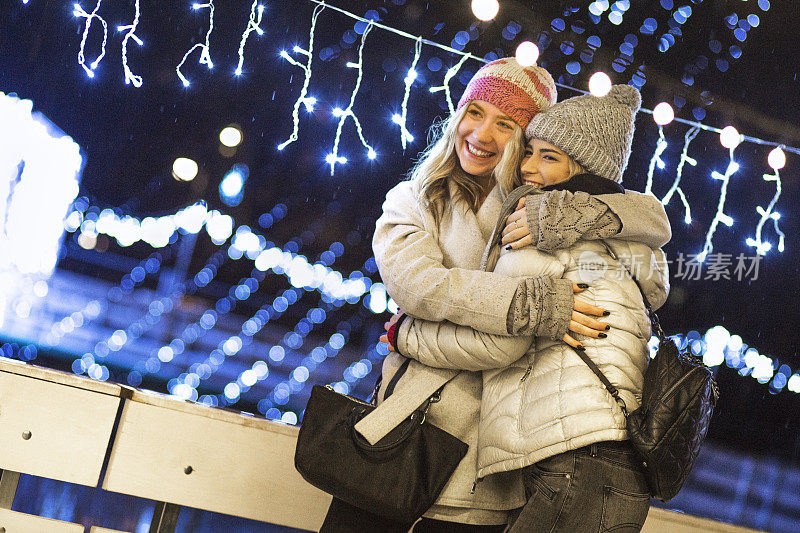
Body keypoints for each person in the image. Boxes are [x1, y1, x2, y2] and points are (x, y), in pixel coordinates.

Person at [322, 57, 670, 532]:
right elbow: (423, 286)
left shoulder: (546, 218)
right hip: (400, 440)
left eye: (505, 124)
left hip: (484, 475)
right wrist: (529, 307)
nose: (481, 134)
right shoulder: (416, 200)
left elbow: (648, 219)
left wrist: (408, 335)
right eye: (474, 112)